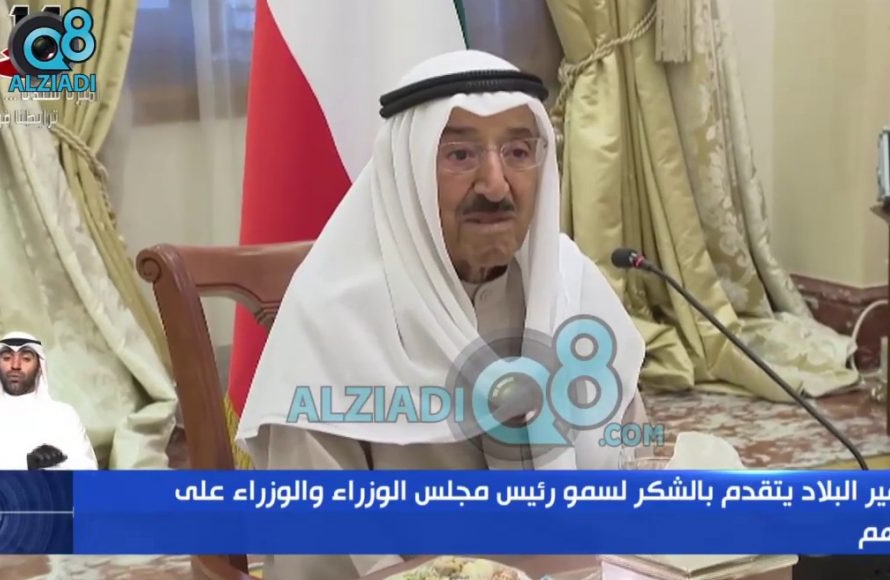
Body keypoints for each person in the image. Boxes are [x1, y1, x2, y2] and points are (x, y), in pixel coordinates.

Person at [236, 50, 649, 579]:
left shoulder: (573, 287)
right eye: (460, 155)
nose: (496, 184)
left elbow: (631, 481)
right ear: (407, 173)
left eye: (518, 152)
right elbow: (326, 555)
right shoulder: (332, 316)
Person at [0, 332, 98, 470]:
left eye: (26, 359)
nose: (15, 366)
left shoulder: (64, 416)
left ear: (39, 367)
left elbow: (88, 474)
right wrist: (26, 466)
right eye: (7, 358)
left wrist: (48, 471)